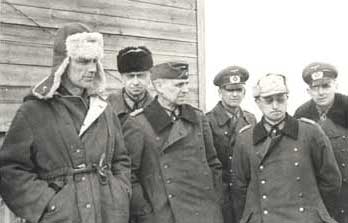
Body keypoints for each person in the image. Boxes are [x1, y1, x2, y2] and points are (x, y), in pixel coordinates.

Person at [0, 23, 131, 223]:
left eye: (95, 61)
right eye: (84, 61)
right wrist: (48, 204)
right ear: (64, 63)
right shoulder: (33, 111)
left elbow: (120, 160)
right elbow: (11, 169)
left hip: (107, 214)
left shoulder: (103, 110)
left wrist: (119, 194)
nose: (92, 69)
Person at [232, 73, 341, 223]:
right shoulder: (245, 138)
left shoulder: (310, 132)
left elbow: (330, 180)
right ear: (258, 102)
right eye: (268, 100)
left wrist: (319, 213)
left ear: (287, 98)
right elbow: (239, 187)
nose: (275, 106)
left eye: (280, 99)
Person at [123, 61, 223, 223]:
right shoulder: (138, 123)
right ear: (159, 86)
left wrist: (216, 199)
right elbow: (129, 175)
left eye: (186, 84)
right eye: (179, 85)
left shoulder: (197, 117)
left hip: (204, 210)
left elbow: (213, 163)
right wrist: (145, 213)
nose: (185, 90)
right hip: (165, 213)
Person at [294, 62, 348, 223]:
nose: (321, 92)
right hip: (320, 190)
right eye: (315, 88)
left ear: (335, 85)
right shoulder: (302, 114)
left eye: (326, 86)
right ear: (308, 90)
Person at [206, 65, 256, 223]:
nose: (235, 94)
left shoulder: (251, 119)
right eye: (229, 90)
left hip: (246, 191)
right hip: (220, 191)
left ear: (244, 92)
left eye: (239, 90)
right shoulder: (207, 121)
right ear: (220, 92)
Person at [108, 46, 153, 124]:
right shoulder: (107, 106)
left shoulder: (157, 108)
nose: (136, 82)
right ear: (122, 77)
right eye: (130, 76)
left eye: (141, 76)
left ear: (150, 76)